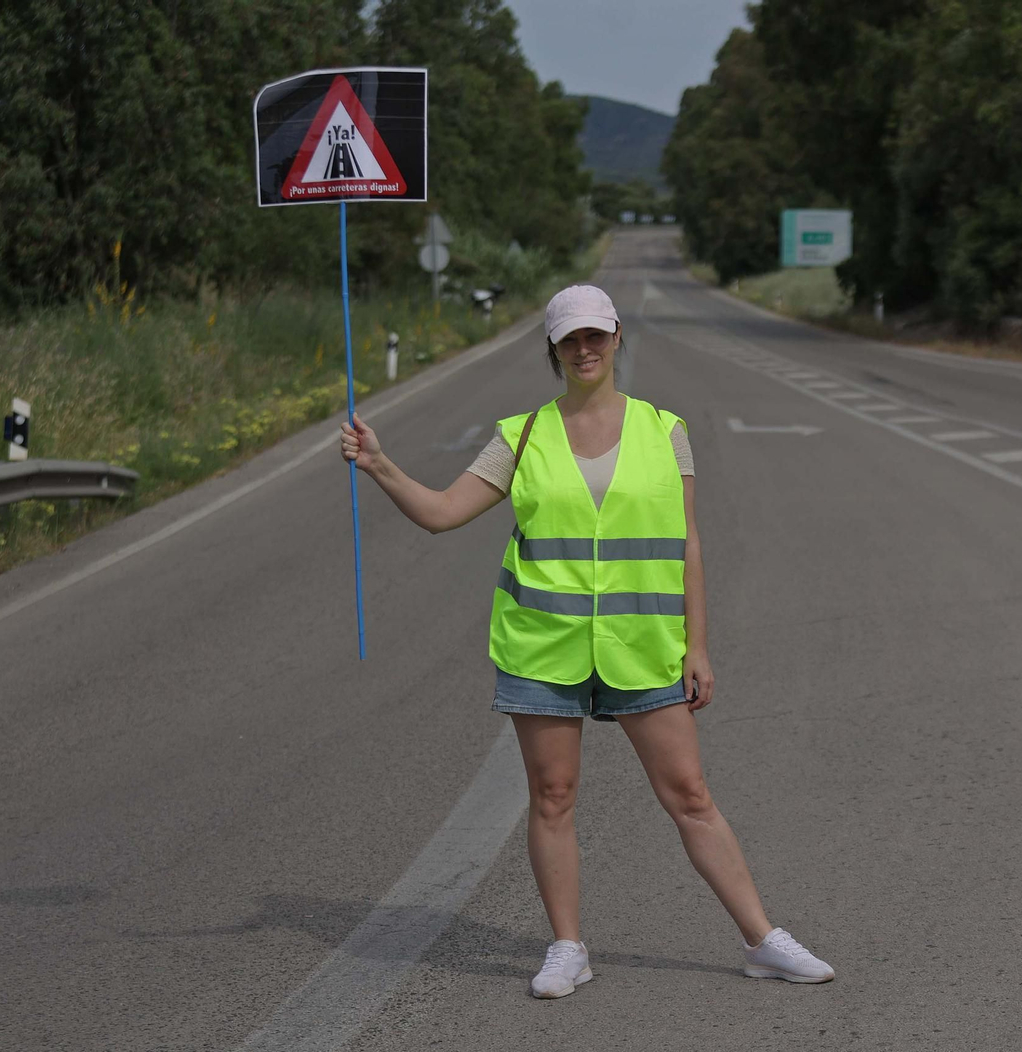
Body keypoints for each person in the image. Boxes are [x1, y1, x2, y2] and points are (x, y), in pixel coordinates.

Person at [338, 284, 833, 998]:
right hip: (544, 646)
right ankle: (567, 948)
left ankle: (763, 940)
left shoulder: (665, 429)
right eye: (570, 339)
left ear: (617, 335)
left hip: (642, 644)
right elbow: (443, 513)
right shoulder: (521, 436)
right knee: (553, 796)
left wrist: (697, 646)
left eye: (595, 335)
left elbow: (688, 543)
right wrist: (379, 465)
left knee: (690, 794)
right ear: (553, 348)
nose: (584, 349)